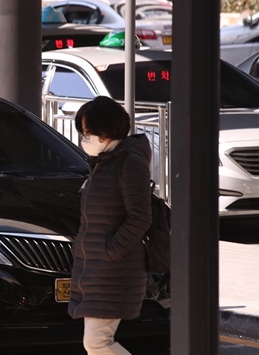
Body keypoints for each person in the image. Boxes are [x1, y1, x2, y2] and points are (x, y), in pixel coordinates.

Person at [69, 96, 152, 355]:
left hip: (113, 270)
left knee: (97, 343)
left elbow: (140, 216)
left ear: (106, 130)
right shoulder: (105, 163)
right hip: (96, 269)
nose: (85, 138)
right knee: (96, 342)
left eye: (88, 132)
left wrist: (110, 252)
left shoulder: (128, 163)